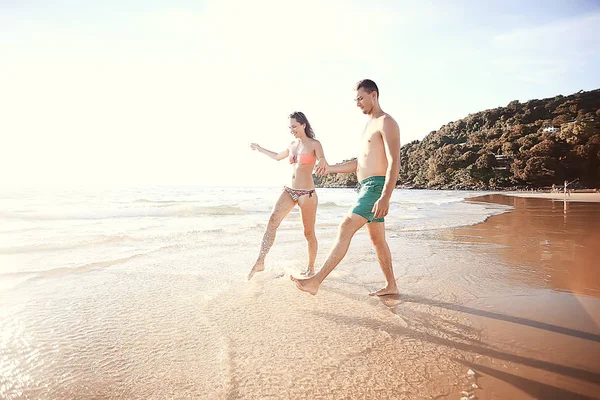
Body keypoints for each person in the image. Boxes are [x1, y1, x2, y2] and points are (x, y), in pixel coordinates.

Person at [292, 79, 401, 296]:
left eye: (361, 98)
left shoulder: (386, 122)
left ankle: (315, 281)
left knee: (345, 227)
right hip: (365, 187)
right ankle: (391, 285)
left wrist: (385, 196)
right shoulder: (368, 127)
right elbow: (359, 164)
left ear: (374, 95)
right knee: (378, 240)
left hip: (376, 187)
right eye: (356, 100)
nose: (358, 103)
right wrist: (330, 168)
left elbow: (394, 161)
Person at [247, 111, 327, 280]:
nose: (292, 129)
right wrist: (260, 149)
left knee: (308, 233)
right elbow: (277, 157)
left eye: (295, 126)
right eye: (290, 127)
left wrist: (321, 162)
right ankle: (260, 261)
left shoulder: (314, 144)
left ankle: (310, 269)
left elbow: (321, 159)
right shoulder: (292, 144)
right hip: (289, 190)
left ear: (303, 124)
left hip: (307, 193)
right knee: (273, 220)